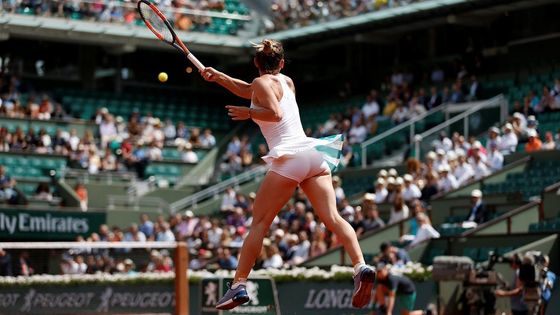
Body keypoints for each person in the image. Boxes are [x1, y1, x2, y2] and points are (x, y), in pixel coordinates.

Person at [201, 39, 375, 310]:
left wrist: (248, 113)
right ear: (281, 64)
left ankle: (238, 286)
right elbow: (249, 89)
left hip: (289, 157)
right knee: (333, 217)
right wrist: (219, 77)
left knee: (259, 223)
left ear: (256, 64)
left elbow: (273, 112)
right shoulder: (287, 81)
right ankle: (360, 266)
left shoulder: (261, 85)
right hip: (314, 154)